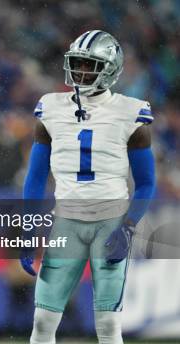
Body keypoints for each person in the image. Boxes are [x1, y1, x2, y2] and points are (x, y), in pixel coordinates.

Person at [21, 30, 156, 344]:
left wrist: (128, 227)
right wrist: (28, 229)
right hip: (65, 221)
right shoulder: (50, 107)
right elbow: (35, 178)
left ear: (110, 69)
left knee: (108, 325)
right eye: (77, 63)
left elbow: (147, 184)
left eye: (89, 64)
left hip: (110, 223)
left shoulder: (131, 112)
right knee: (42, 321)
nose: (80, 71)